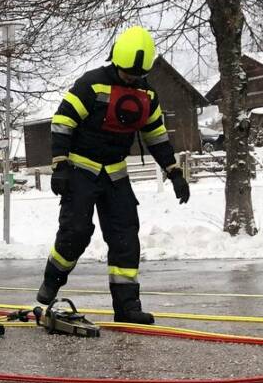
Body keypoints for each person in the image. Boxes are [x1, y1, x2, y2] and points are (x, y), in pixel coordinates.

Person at [35, 27, 188, 324]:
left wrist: (173, 171)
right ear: (117, 62)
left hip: (116, 174)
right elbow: (63, 122)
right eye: (128, 73)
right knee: (75, 232)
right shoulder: (90, 85)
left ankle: (127, 308)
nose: (132, 79)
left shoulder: (147, 94)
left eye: (137, 74)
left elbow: (156, 135)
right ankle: (52, 281)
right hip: (81, 170)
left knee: (125, 238)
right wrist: (60, 164)